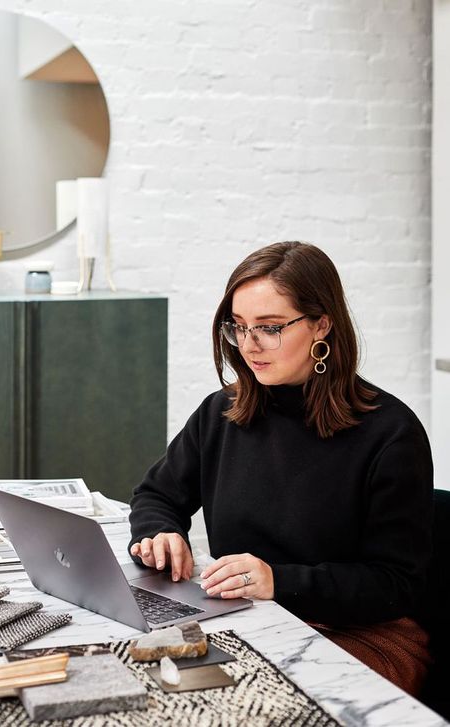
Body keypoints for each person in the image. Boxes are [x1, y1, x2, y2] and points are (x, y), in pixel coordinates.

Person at [129, 241, 433, 696]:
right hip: (251, 621)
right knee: (139, 679)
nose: (250, 346)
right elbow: (156, 495)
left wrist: (278, 580)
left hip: (362, 633)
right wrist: (159, 532)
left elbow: (394, 584)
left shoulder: (390, 434)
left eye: (270, 328)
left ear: (321, 325)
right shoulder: (223, 413)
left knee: (222, 700)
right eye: (239, 327)